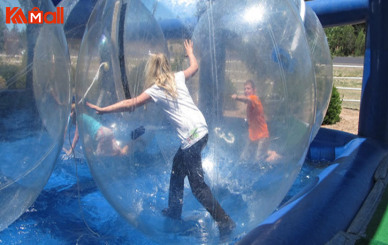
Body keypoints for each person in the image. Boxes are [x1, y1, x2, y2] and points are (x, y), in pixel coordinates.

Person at [86, 40, 235, 236]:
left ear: (152, 70)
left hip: (191, 137)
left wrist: (104, 109)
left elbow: (131, 104)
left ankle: (225, 221)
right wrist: (190, 52)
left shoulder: (155, 89)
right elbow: (195, 67)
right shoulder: (178, 77)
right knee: (177, 169)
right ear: (166, 66)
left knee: (197, 186)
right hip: (201, 129)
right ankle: (174, 210)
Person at [232, 80, 280, 163]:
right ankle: (270, 152)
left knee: (259, 159)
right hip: (254, 136)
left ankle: (275, 157)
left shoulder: (254, 98)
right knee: (244, 157)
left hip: (262, 136)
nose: (246, 90)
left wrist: (236, 97)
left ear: (254, 90)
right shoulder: (250, 103)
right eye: (245, 89)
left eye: (248, 88)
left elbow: (247, 100)